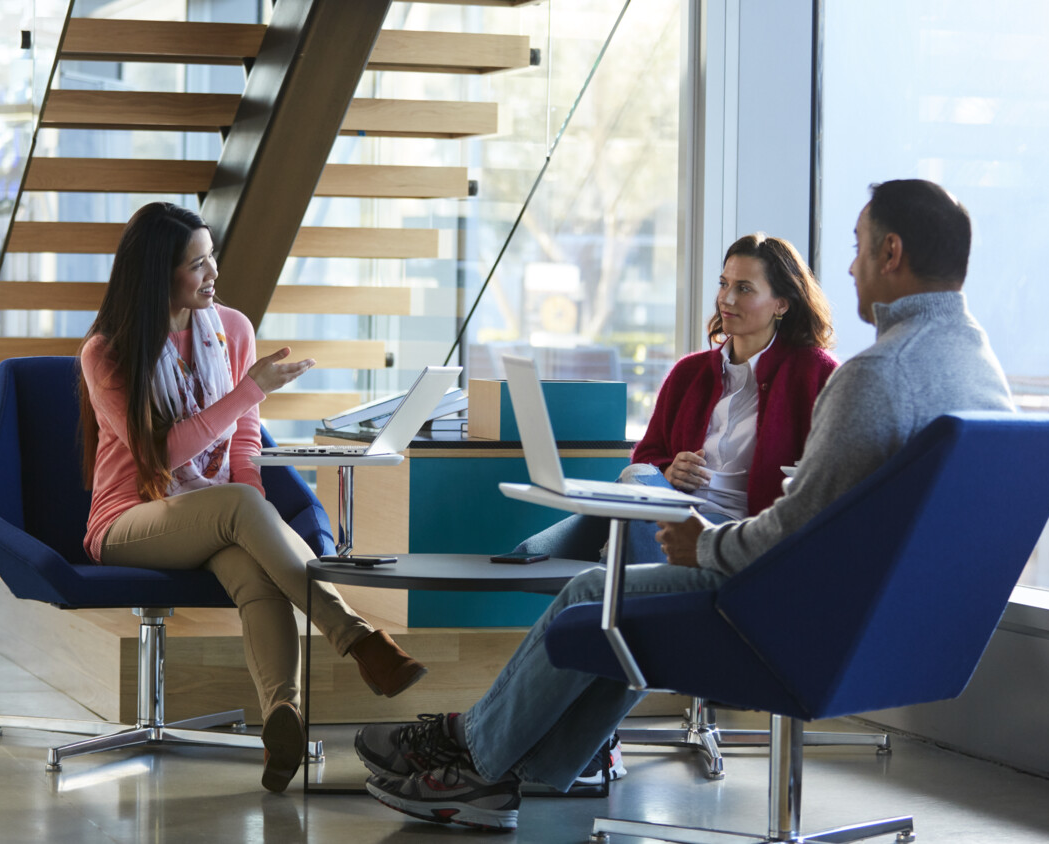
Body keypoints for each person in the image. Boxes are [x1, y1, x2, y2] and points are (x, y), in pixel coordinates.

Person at [355, 179, 1014, 832]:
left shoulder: (875, 376)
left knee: (596, 593)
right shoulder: (982, 372)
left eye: (859, 246)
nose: (850, 265)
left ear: (891, 252)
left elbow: (793, 531)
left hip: (795, 613)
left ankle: (474, 754)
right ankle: (503, 765)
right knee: (617, 580)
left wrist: (703, 544)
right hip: (891, 626)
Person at [77, 202, 426, 795]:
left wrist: (254, 513)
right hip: (129, 517)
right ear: (160, 274)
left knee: (255, 568)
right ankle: (357, 638)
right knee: (239, 508)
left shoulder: (232, 329)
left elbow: (244, 443)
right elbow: (160, 456)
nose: (213, 272)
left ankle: (280, 717)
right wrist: (250, 391)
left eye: (212, 257)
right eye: (198, 264)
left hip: (211, 511)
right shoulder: (107, 353)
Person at [508, 233, 837, 786]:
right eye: (723, 284)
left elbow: (819, 484)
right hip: (660, 520)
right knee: (593, 518)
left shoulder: (816, 375)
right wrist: (671, 466)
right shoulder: (690, 373)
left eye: (744, 288)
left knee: (603, 585)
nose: (726, 299)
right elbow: (648, 458)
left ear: (783, 302)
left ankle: (575, 743)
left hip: (731, 542)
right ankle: (573, 749)